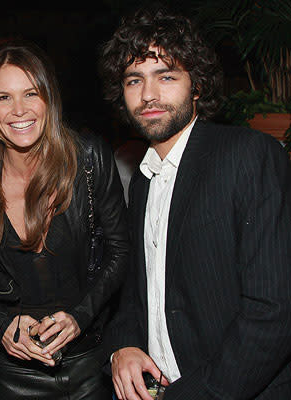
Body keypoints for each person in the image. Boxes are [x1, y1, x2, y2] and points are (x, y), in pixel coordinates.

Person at [99, 6, 291, 400]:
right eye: (135, 80)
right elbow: (137, 294)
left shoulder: (248, 155)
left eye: (166, 76)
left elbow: (273, 312)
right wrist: (123, 346)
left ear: (196, 85)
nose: (148, 95)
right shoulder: (143, 180)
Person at [0, 41, 129, 399]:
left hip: (89, 362)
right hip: (11, 369)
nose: (19, 110)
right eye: (3, 97)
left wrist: (80, 315)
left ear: (49, 98)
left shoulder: (89, 158)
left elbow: (120, 250)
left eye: (30, 93)